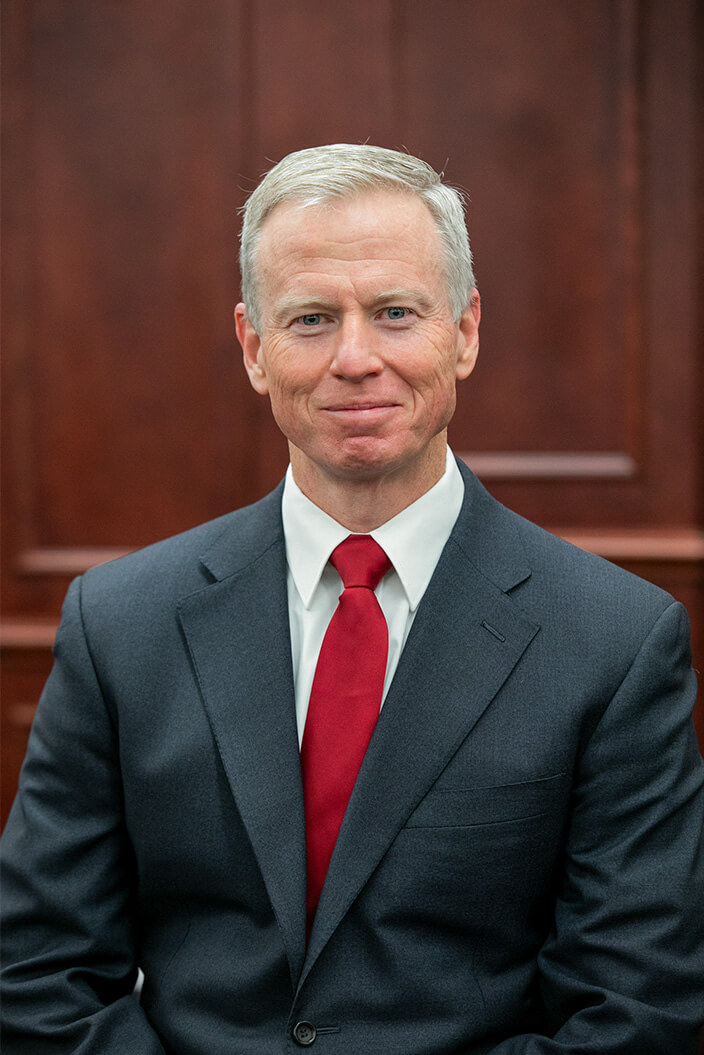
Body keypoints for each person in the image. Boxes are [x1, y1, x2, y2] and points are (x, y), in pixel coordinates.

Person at [2, 144, 703, 1055]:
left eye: (396, 313)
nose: (356, 358)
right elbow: (36, 970)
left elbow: (636, 1011)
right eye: (311, 319)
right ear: (255, 349)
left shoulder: (616, 641)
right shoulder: (120, 622)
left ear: (466, 330)